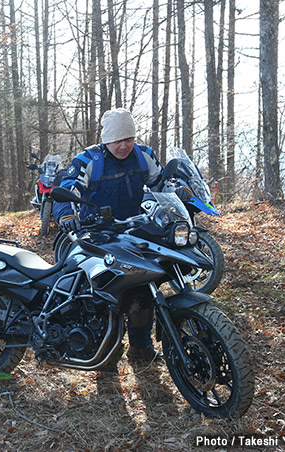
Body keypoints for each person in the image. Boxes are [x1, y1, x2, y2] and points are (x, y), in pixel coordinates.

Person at [54, 108, 170, 364]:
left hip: (134, 230)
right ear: (107, 140)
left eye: (128, 139)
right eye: (118, 141)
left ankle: (141, 347)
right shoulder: (88, 160)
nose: (124, 145)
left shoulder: (144, 155)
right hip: (96, 235)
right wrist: (65, 215)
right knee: (104, 296)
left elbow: (161, 183)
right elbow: (66, 188)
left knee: (143, 288)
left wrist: (179, 192)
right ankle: (106, 354)